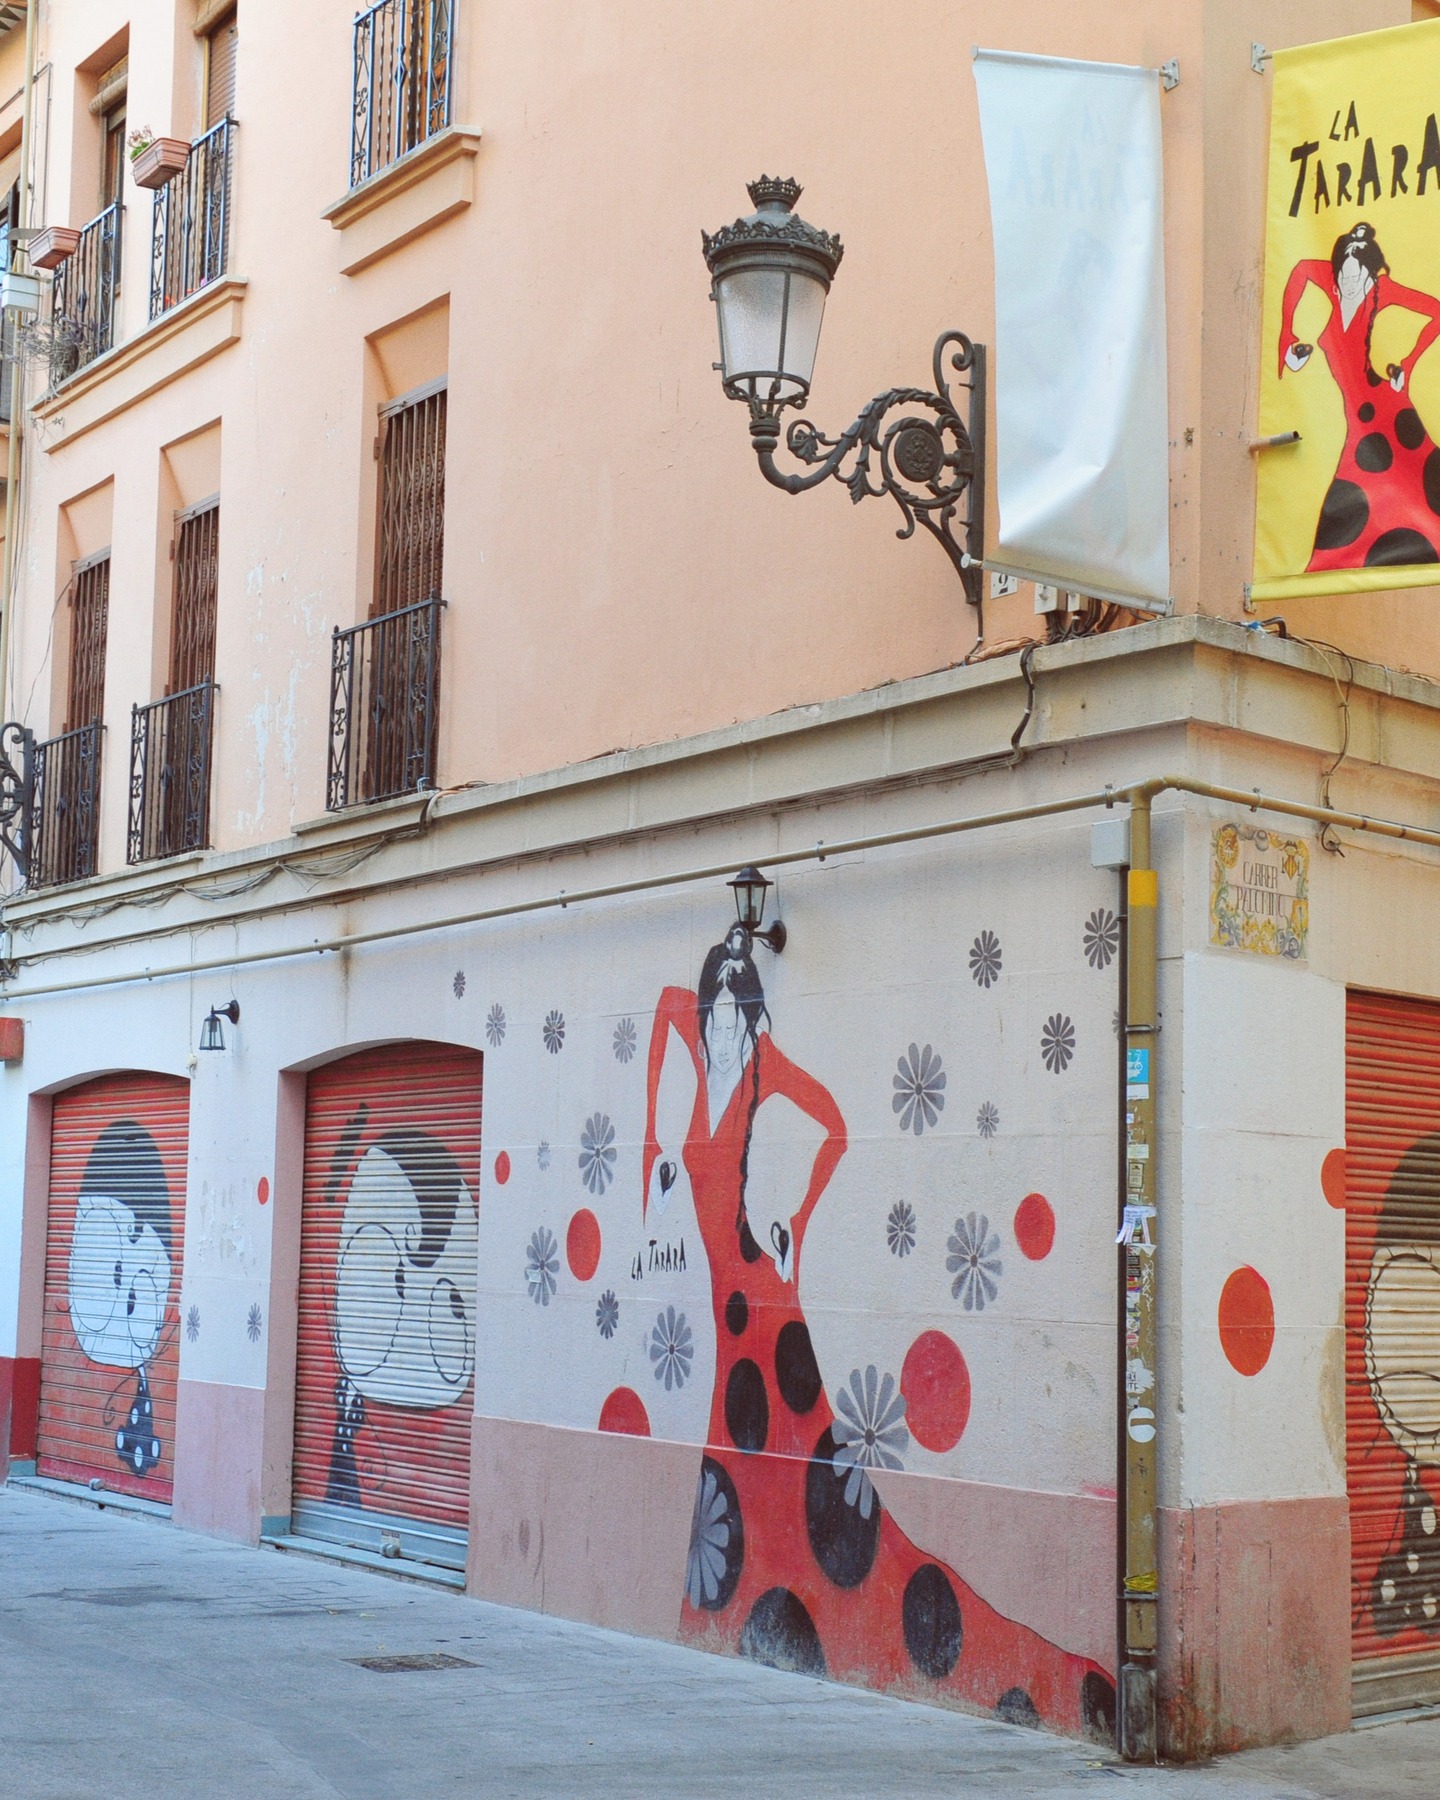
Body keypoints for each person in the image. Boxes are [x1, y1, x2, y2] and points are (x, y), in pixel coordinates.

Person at [642, 925, 1112, 1736]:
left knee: (762, 1443)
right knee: (738, 1450)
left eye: (735, 1012)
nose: (720, 1024)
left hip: (758, 1290)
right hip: (725, 1307)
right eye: (716, 1009)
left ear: (752, 1018)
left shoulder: (765, 1069)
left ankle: (782, 1604)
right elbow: (663, 1007)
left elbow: (835, 1127)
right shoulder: (695, 1036)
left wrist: (795, 1220)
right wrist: (654, 1137)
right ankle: (742, 1601)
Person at [1278, 222, 1440, 572]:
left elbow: (1436, 311)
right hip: (1358, 415)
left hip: (1382, 410)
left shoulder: (1383, 290)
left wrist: (1408, 363)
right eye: (1342, 277)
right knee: (1370, 489)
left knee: (1387, 484)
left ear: (1370, 275)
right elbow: (1301, 269)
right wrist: (1287, 334)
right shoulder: (1332, 281)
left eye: (1356, 278)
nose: (1347, 285)